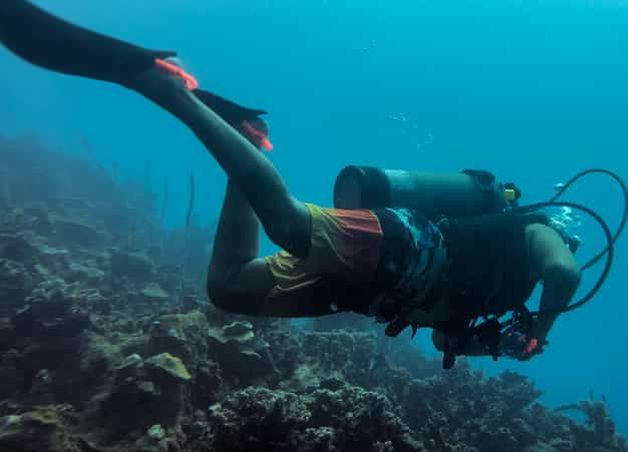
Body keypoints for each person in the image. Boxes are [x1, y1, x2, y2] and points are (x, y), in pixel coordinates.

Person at [1, 0, 584, 369]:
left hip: (373, 290)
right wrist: (544, 328)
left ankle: (247, 147)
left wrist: (493, 342)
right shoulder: (535, 234)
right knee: (284, 220)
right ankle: (162, 88)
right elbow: (564, 270)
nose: (566, 246)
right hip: (407, 246)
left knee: (229, 289)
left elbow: (440, 340)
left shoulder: (503, 295)